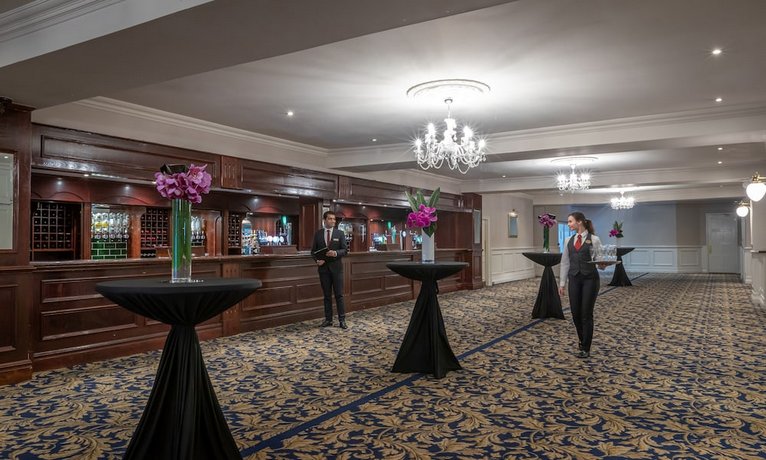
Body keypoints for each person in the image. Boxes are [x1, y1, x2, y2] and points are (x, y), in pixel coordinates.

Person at [558, 211, 607, 359]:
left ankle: (586, 347)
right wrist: (562, 283)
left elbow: (600, 261)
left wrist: (602, 265)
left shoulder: (594, 239)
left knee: (586, 313)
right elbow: (565, 263)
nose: (569, 224)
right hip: (574, 279)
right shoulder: (568, 240)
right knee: (575, 313)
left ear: (579, 222)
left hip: (590, 280)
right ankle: (581, 340)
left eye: (570, 221)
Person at [311, 211, 349, 329]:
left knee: (339, 295)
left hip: (337, 269)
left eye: (334, 219)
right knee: (327, 296)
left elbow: (345, 250)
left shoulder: (340, 233)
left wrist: (336, 253)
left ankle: (342, 320)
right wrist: (317, 260)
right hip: (323, 270)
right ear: (324, 220)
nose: (333, 221)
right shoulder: (318, 234)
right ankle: (328, 320)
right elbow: (313, 252)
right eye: (330, 219)